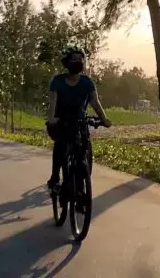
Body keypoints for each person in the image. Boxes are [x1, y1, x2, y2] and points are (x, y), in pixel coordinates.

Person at [45, 43, 111, 196]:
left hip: (79, 120)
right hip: (62, 120)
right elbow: (52, 103)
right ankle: (55, 177)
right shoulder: (57, 81)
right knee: (60, 145)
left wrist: (104, 119)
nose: (78, 62)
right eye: (74, 59)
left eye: (80, 59)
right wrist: (51, 119)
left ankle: (81, 185)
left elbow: (95, 102)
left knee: (83, 148)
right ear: (66, 62)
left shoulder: (87, 82)